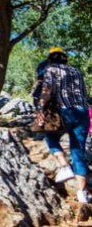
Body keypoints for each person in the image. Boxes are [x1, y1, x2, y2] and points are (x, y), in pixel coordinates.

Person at [37, 48, 90, 203]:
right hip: (83, 112)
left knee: (50, 137)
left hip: (65, 111)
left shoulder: (50, 69)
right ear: (65, 58)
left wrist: (40, 108)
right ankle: (82, 194)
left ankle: (64, 166)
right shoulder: (77, 71)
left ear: (50, 59)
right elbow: (82, 93)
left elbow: (46, 92)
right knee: (78, 150)